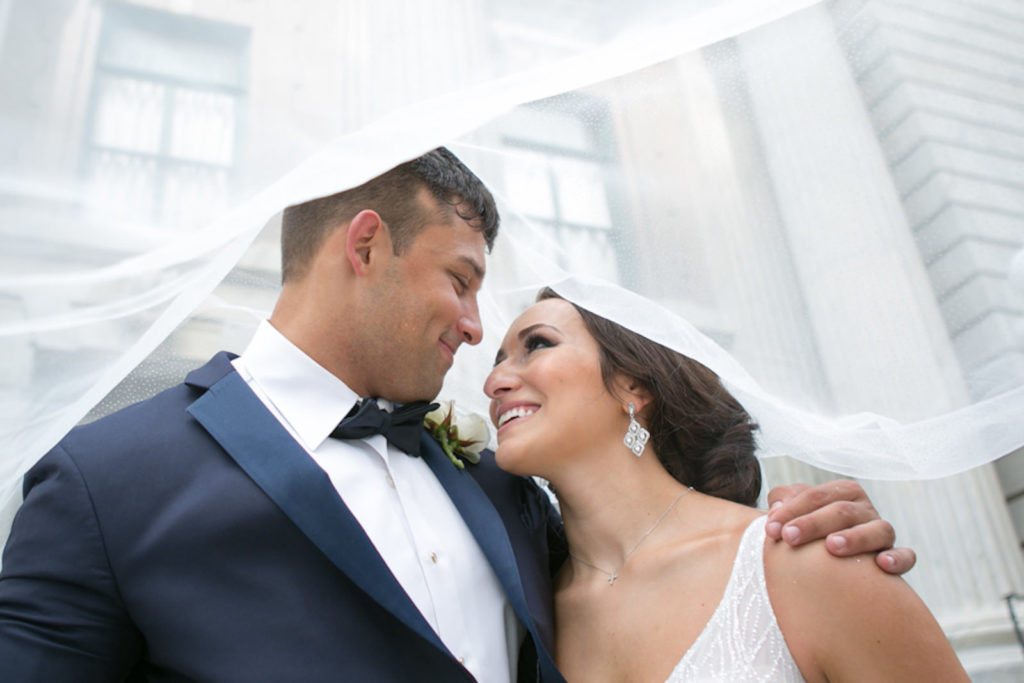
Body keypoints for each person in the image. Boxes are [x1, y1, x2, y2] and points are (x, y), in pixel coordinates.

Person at [0, 148, 913, 682]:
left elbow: (665, 565)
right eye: (462, 280)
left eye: (529, 338)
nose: (479, 336)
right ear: (366, 245)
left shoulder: (505, 492)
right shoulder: (103, 481)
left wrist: (807, 533)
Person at [484, 288, 969, 682]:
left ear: (635, 386)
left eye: (538, 344)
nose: (495, 381)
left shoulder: (801, 556)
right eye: (495, 361)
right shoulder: (525, 613)